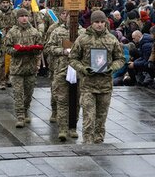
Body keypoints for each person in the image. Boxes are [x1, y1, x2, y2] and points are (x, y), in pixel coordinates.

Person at [69, 10, 125, 144]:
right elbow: (73, 58)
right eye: (96, 22)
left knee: (101, 118)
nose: (99, 25)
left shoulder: (112, 39)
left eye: (102, 22)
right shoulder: (83, 38)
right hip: (88, 85)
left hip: (105, 85)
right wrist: (83, 69)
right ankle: (87, 143)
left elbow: (120, 59)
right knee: (89, 117)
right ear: (92, 23)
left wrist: (112, 68)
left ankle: (99, 142)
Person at [45, 9, 81, 140]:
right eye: (69, 16)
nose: (71, 19)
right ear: (65, 17)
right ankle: (62, 129)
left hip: (78, 71)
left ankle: (73, 127)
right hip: (61, 69)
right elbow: (48, 47)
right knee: (62, 100)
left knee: (76, 101)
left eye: (74, 17)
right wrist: (63, 51)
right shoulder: (57, 31)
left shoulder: (83, 33)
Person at [4, 8, 42, 128]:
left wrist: (35, 51)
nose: (24, 18)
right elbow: (7, 48)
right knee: (18, 94)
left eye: (26, 15)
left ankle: (25, 110)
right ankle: (20, 116)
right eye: (22, 16)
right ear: (18, 18)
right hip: (17, 69)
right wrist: (16, 50)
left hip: (30, 68)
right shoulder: (12, 32)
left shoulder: (35, 32)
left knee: (28, 94)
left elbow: (40, 47)